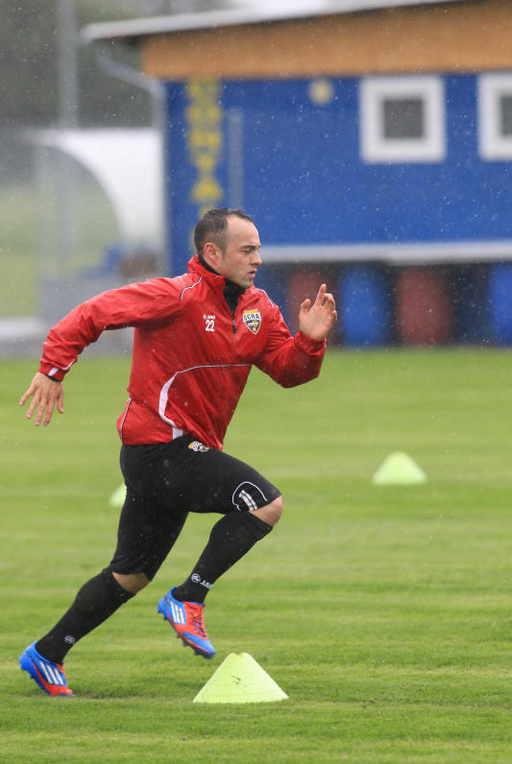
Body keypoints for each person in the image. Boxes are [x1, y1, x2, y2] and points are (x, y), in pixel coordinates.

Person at [19, 207, 337, 697]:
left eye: (258, 249)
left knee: (130, 575)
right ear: (212, 253)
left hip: (179, 453)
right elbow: (93, 313)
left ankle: (46, 653)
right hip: (156, 446)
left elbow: (287, 371)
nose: (257, 258)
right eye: (246, 250)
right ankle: (189, 597)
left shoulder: (259, 309)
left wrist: (310, 342)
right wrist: (52, 369)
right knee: (264, 503)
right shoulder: (175, 295)